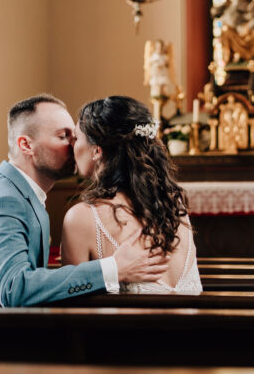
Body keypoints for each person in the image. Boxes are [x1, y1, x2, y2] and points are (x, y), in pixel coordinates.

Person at [0, 94, 169, 307]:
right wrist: (113, 268)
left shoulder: (18, 191)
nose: (74, 145)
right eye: (63, 136)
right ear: (26, 145)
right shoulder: (4, 199)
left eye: (74, 136)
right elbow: (14, 290)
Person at [61, 96, 202, 294]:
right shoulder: (172, 206)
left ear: (96, 151)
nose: (71, 147)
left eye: (76, 138)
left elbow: (71, 309)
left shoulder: (82, 218)